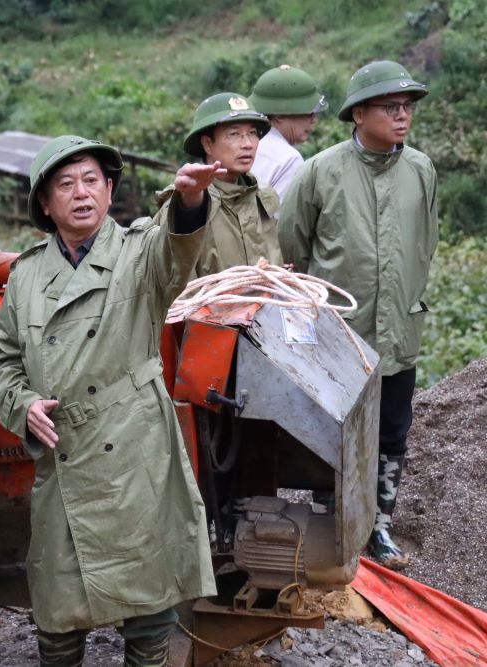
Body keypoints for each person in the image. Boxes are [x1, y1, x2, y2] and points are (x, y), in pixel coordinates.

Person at [0, 135, 222, 667]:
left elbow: (177, 249)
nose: (81, 193)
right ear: (45, 204)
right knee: (56, 616)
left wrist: (188, 202)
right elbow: (5, 366)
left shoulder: (140, 249)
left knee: (149, 619)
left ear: (110, 189)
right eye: (65, 184)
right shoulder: (25, 276)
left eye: (92, 180)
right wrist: (22, 404)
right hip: (64, 455)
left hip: (135, 455)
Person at [279, 61, 436, 570]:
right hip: (339, 332)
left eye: (407, 107)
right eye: (391, 107)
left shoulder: (421, 170)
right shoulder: (320, 171)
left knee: (392, 430)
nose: (403, 116)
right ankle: (333, 523)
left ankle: (380, 527)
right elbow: (293, 245)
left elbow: (425, 242)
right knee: (335, 430)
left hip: (400, 326)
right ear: (359, 113)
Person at [166, 92, 282, 277]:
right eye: (234, 134)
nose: (247, 144)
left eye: (252, 133)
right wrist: (191, 199)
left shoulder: (263, 194)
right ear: (207, 144)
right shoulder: (187, 197)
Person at [249, 64, 328, 201]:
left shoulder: (245, 145)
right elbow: (281, 219)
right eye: (308, 112)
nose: (313, 120)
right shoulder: (289, 158)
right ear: (279, 114)